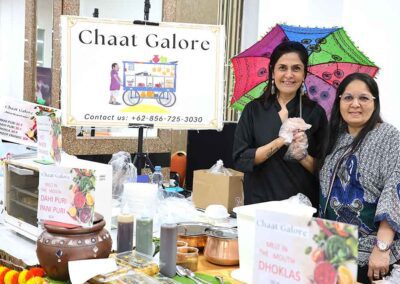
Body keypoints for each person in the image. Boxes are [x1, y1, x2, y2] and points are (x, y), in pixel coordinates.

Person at [319, 73, 400, 283]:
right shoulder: (335, 136)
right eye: (348, 98)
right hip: (331, 248)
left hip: (370, 255)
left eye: (363, 98)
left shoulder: (390, 137)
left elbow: (395, 191)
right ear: (339, 102)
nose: (355, 104)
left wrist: (382, 248)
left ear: (375, 102)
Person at [232, 41, 328, 207]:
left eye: (296, 68)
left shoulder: (315, 113)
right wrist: (281, 140)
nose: (289, 75)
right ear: (273, 71)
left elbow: (324, 170)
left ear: (304, 73)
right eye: (282, 68)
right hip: (259, 203)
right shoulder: (254, 110)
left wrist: (302, 155)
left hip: (301, 207)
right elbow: (241, 159)